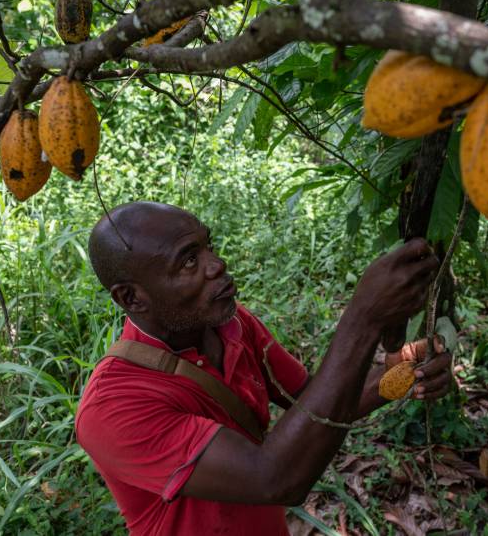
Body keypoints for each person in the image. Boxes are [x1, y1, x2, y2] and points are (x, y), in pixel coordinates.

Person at [75, 201, 453, 535]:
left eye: (208, 246)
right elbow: (274, 478)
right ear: (132, 297)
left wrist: (404, 369)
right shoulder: (111, 407)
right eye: (189, 260)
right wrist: (363, 320)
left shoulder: (232, 326)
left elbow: (312, 402)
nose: (216, 264)